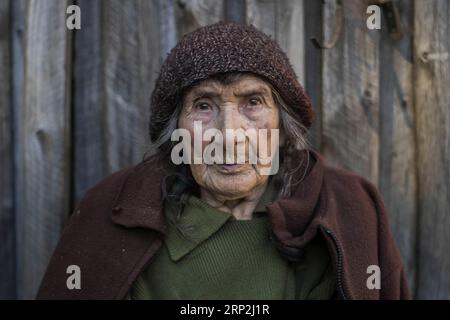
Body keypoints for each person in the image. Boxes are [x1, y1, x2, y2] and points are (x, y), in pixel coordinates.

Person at [37, 22, 410, 300]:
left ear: (282, 124)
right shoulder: (110, 210)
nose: (229, 134)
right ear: (176, 129)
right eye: (203, 105)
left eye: (252, 102)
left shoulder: (349, 208)